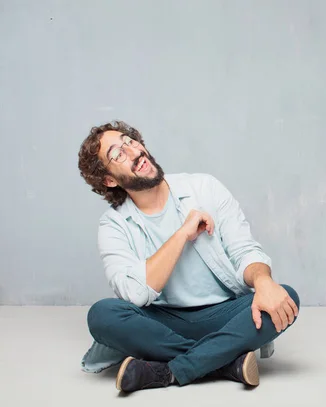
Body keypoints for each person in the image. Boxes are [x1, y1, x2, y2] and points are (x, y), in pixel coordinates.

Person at [77, 120, 300, 392]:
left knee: (286, 296)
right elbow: (135, 294)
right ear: (109, 180)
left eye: (130, 141)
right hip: (159, 323)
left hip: (223, 315)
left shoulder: (204, 188)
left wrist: (264, 283)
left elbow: (245, 251)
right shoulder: (113, 225)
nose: (134, 152)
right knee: (103, 315)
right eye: (118, 154)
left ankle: (168, 371)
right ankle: (223, 361)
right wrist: (182, 234)